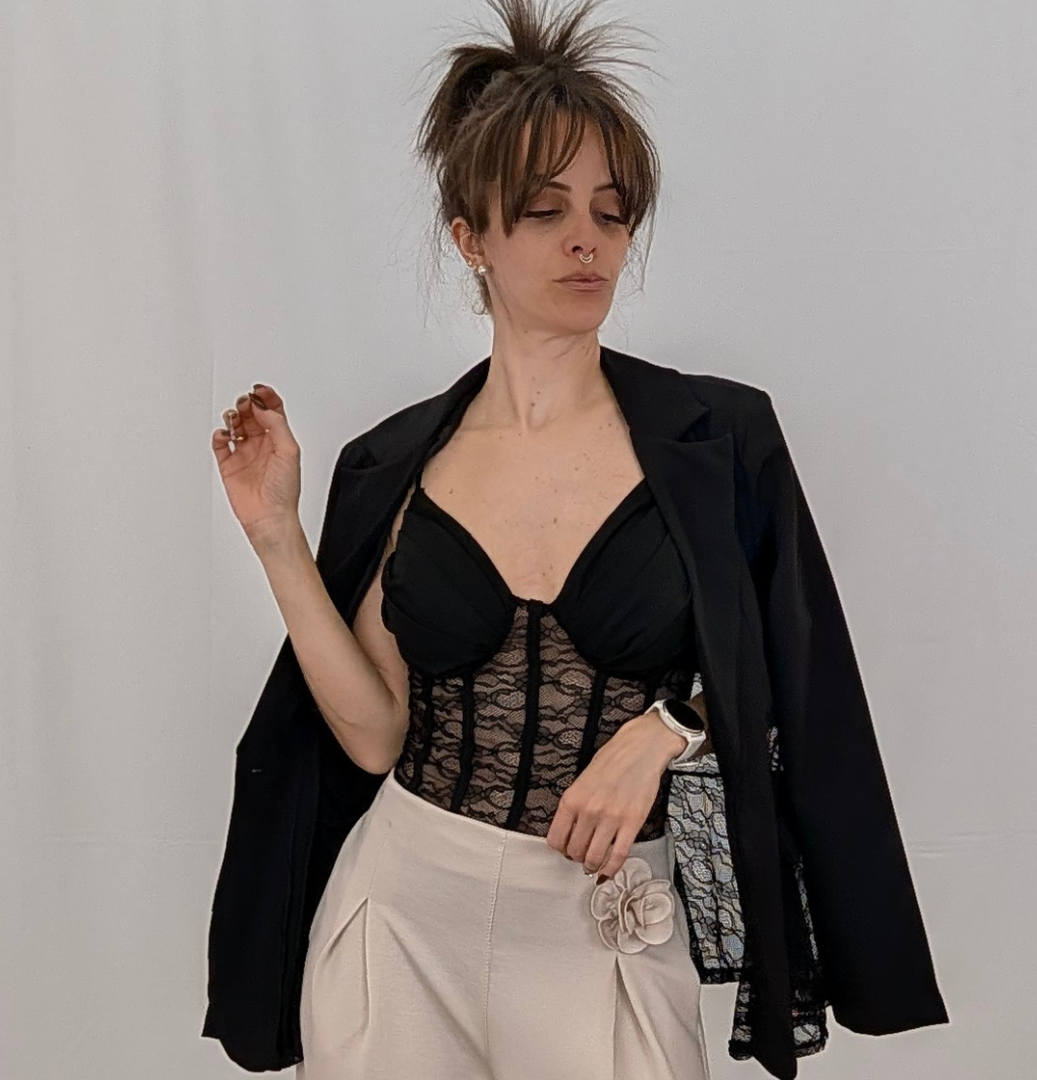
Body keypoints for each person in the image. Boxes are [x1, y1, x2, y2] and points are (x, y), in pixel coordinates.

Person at [205, 1, 948, 1077]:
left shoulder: (718, 440)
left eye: (611, 210)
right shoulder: (393, 461)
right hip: (401, 914)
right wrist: (276, 535)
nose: (587, 239)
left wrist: (668, 730)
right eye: (545, 210)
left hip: (605, 926)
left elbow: (797, 676)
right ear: (470, 238)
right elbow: (373, 736)